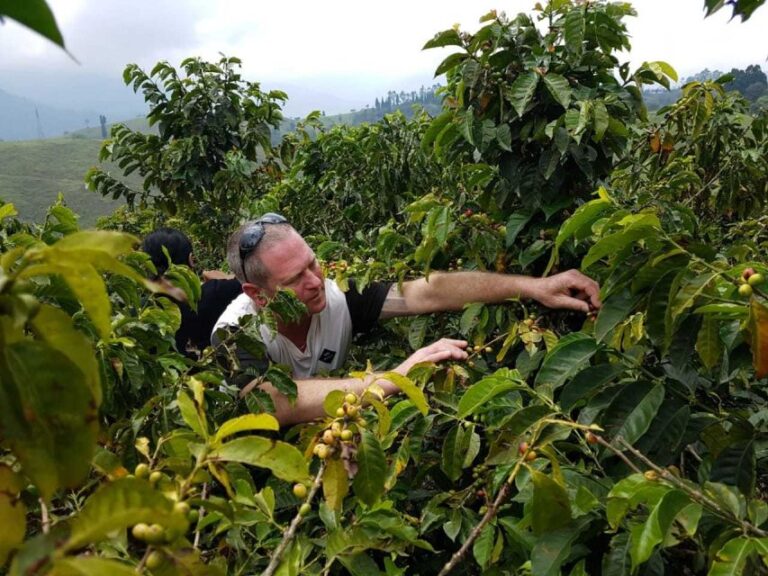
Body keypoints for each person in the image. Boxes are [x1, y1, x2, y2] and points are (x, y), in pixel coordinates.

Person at [213, 214, 601, 425]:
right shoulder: (234, 335)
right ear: (258, 295)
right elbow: (273, 403)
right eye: (295, 279)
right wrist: (395, 378)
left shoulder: (336, 295)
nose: (315, 281)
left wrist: (535, 287)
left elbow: (427, 291)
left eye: (313, 263)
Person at [142, 228, 242, 357]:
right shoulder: (217, 292)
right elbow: (251, 281)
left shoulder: (142, 308)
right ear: (191, 259)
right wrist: (224, 279)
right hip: (216, 373)